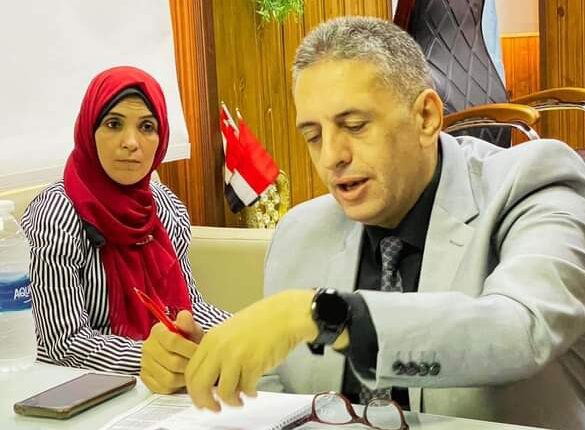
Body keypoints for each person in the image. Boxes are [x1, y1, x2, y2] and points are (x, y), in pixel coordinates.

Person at [141, 17, 585, 429]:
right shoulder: (300, 232)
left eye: (354, 126)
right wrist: (208, 370)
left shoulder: (532, 182)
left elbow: (522, 328)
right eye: (313, 136)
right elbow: (285, 391)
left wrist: (323, 314)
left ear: (426, 117)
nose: (331, 156)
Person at [21, 66, 230, 375]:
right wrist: (151, 359)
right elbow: (62, 343)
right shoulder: (57, 214)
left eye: (146, 127)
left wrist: (248, 334)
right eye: (114, 124)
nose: (131, 142)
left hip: (169, 378)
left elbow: (189, 309)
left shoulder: (163, 206)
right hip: (88, 385)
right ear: (89, 130)